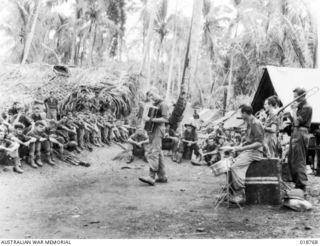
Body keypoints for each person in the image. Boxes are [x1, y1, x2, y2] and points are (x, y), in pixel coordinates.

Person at [220, 105, 264, 204]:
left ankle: (240, 194)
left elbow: (259, 143)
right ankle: (230, 192)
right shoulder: (249, 122)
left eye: (241, 113)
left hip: (255, 152)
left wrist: (242, 148)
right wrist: (238, 147)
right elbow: (249, 140)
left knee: (235, 167)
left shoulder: (256, 123)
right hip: (248, 150)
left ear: (245, 113)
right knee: (229, 164)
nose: (240, 115)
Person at [138, 88, 169, 186]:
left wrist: (150, 119)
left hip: (158, 129)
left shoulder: (163, 104)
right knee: (158, 153)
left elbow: (165, 119)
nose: (152, 97)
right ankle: (162, 176)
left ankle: (151, 177)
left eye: (153, 94)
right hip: (154, 130)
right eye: (150, 96)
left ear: (157, 92)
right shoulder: (156, 105)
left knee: (153, 152)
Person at [287, 87, 312, 195]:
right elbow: (295, 122)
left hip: (301, 132)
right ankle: (297, 184)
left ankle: (302, 185)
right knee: (292, 159)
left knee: (299, 159)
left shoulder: (307, 107)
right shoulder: (300, 107)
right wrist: (290, 116)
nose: (293, 99)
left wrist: (293, 111)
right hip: (296, 132)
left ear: (302, 96)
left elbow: (298, 123)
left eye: (295, 97)